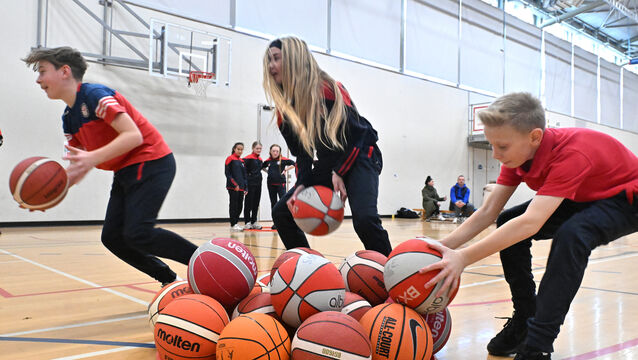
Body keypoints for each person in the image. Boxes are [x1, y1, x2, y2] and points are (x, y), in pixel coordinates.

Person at [419, 92, 638, 360]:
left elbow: (532, 222)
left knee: (573, 236)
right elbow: (489, 211)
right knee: (508, 221)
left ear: (534, 137)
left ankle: (537, 345)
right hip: (587, 194)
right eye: (492, 146)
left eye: (502, 147)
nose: (496, 155)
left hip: (628, 198)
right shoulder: (519, 154)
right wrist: (441, 247)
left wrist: (463, 258)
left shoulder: (572, 153)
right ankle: (524, 318)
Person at [23, 46, 197, 286]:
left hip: (151, 161)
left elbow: (133, 136)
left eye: (42, 71)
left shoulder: (95, 95)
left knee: (138, 232)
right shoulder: (68, 118)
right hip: (125, 170)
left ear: (64, 71)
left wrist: (92, 157)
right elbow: (77, 166)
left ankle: (209, 261)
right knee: (113, 238)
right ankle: (170, 280)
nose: (38, 79)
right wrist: (47, 194)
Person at [262, 36, 392, 256]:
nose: (271, 66)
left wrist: (340, 172)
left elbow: (360, 134)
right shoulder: (284, 113)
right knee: (283, 212)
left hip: (361, 154)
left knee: (365, 219)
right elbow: (303, 154)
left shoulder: (328, 89)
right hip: (330, 163)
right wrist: (302, 183)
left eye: (276, 58)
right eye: (268, 61)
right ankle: (307, 269)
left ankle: (393, 272)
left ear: (294, 59)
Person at [262, 144, 295, 230]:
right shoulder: (268, 161)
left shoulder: (283, 160)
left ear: (279, 152)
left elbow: (294, 164)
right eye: (273, 151)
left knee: (283, 203)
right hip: (271, 184)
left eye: (277, 151)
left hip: (281, 184)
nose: (275, 153)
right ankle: (275, 223)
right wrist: (268, 172)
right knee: (273, 203)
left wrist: (286, 170)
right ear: (270, 152)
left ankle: (285, 222)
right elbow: (262, 167)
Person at [225, 142, 247, 232]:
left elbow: (244, 176)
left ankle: (236, 223)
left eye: (241, 149)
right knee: (233, 205)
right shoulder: (230, 159)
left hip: (241, 187)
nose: (240, 151)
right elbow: (227, 173)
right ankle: (233, 224)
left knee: (240, 206)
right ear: (234, 149)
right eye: (238, 149)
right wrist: (235, 184)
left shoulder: (242, 161)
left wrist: (246, 187)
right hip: (233, 187)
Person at [243, 141, 264, 230]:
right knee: (248, 203)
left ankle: (254, 221)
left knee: (256, 202)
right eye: (257, 148)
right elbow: (244, 173)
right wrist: (245, 185)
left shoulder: (260, 159)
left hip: (258, 183)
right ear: (253, 148)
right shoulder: (247, 158)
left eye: (260, 149)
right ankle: (247, 222)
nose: (259, 150)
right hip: (250, 183)